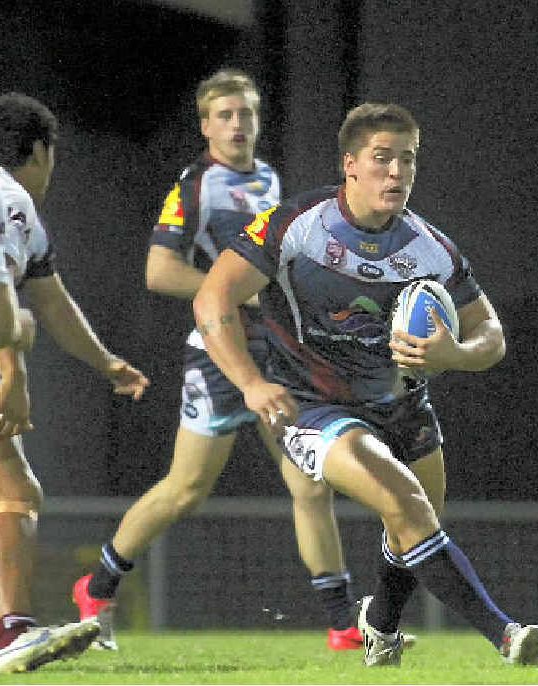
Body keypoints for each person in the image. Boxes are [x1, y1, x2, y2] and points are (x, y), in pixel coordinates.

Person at [193, 102, 538, 667]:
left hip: (404, 406)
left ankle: (379, 625)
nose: (397, 173)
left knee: (413, 523)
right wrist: (250, 383)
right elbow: (212, 297)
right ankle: (505, 634)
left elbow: (492, 333)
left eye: (408, 160)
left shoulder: (429, 246)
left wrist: (455, 353)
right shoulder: (294, 225)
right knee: (406, 502)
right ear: (350, 165)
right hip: (315, 408)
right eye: (382, 159)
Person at [72, 69, 365, 651]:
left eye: (246, 114)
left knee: (310, 484)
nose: (237, 125)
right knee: (186, 490)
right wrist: (235, 289)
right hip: (219, 353)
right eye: (225, 115)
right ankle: (98, 587)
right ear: (205, 125)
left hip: (276, 350)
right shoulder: (195, 186)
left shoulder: (268, 179)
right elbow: (159, 271)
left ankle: (343, 627)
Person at [0, 92, 150, 673]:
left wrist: (106, 364)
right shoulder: (3, 194)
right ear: (40, 151)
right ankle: (13, 635)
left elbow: (51, 301)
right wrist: (13, 373)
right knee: (14, 494)